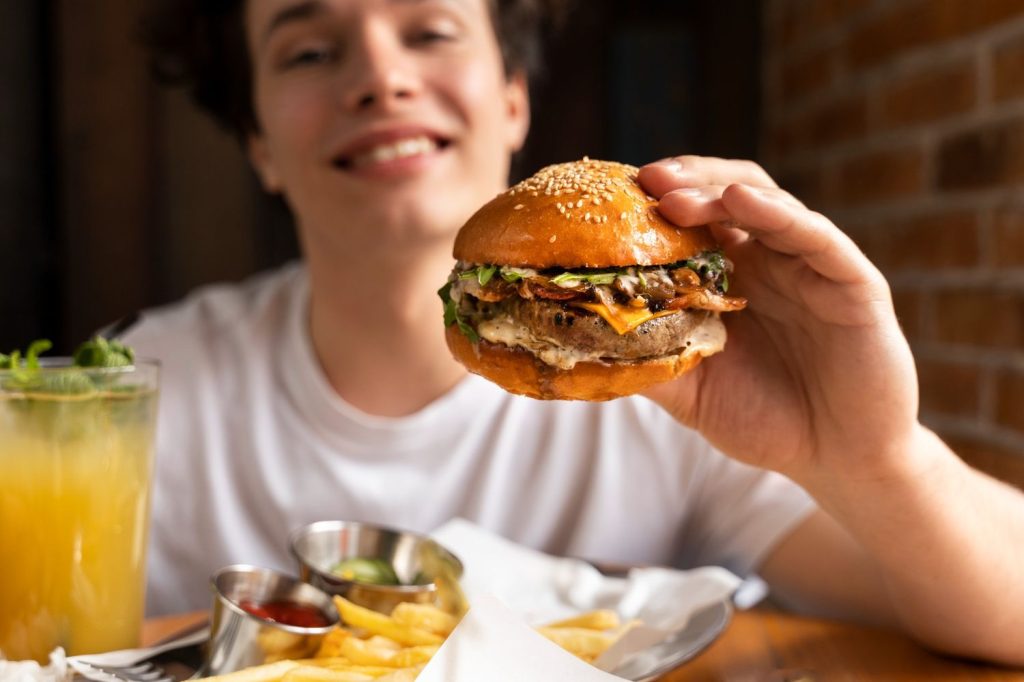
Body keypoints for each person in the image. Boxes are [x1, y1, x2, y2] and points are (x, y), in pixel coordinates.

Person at [129, 0, 1024, 665]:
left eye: (431, 33)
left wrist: (875, 459)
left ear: (514, 99)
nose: (381, 77)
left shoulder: (685, 387)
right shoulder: (138, 384)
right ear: (256, 143)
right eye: (311, 50)